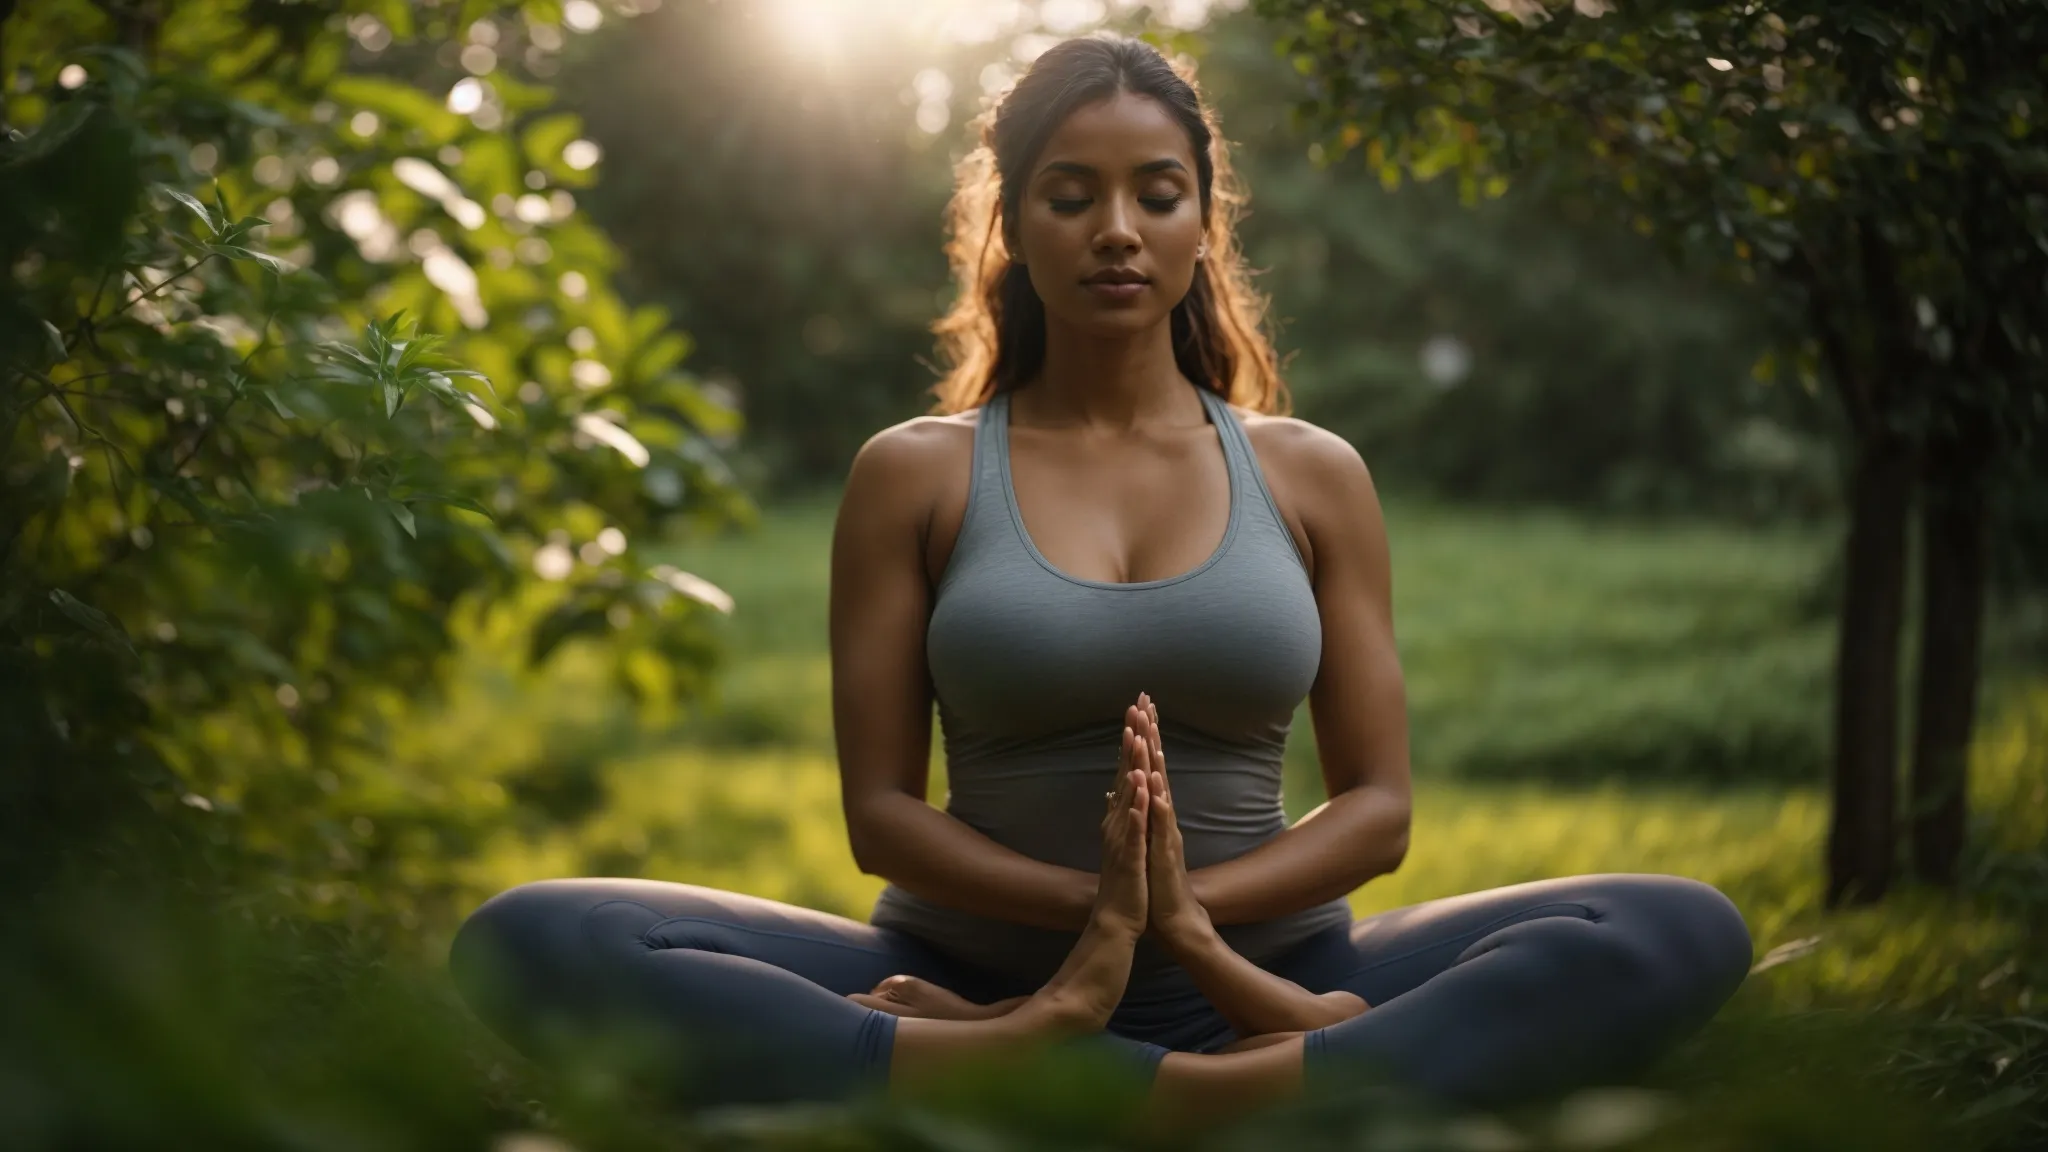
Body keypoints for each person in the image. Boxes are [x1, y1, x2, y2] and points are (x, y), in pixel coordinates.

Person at [448, 33, 1754, 1129]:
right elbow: (881, 816)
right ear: (1012, 223)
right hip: (961, 960)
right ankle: (1220, 1085)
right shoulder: (917, 474)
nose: (1117, 230)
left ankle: (1029, 1077)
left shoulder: (1311, 474)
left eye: (1157, 191)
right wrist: (1092, 932)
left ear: (1203, 218)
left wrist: (1185, 922)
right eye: (1072, 195)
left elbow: (1380, 809)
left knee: (1668, 925)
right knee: (538, 934)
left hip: (1264, 965)